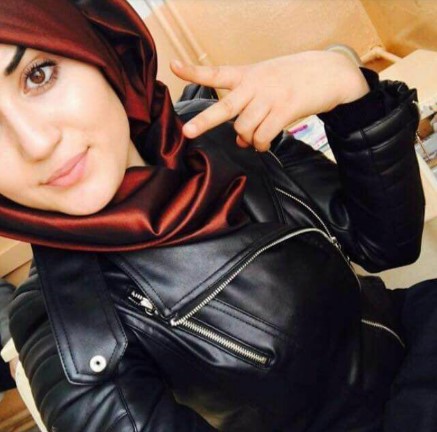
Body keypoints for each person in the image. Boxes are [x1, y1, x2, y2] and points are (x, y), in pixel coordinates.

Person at [0, 0, 429, 431]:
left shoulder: (210, 127)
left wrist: (348, 90)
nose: (36, 144)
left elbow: (386, 244)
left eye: (38, 74)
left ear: (101, 51)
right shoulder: (61, 325)